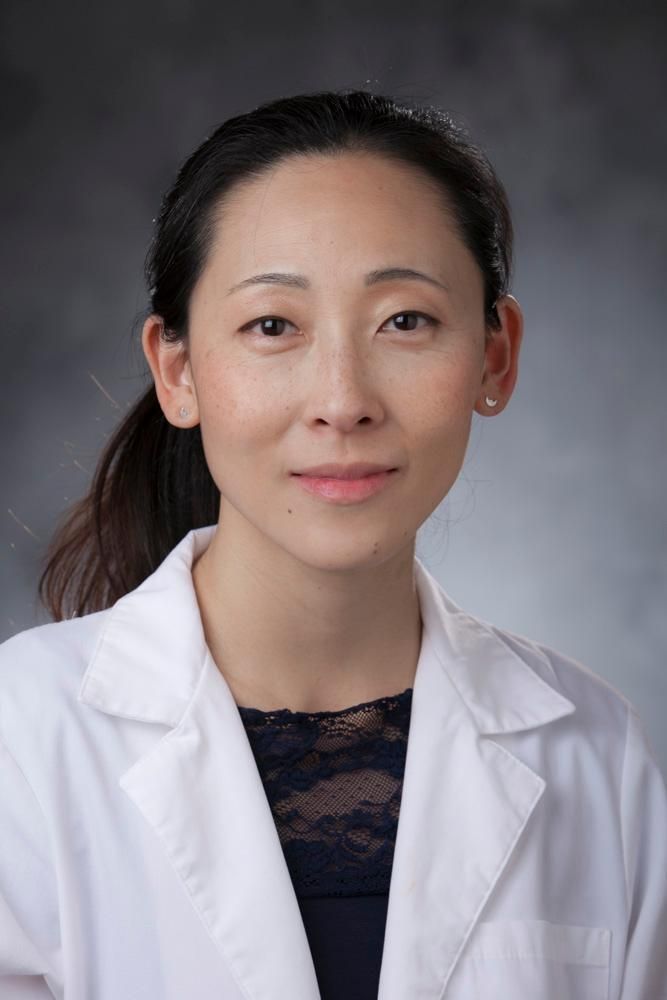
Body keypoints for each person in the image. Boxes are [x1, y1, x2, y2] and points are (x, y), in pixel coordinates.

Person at [0, 89, 665, 1000]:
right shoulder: (20, 740)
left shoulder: (596, 754)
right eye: (272, 326)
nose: (342, 400)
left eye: (405, 321)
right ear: (177, 372)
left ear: (494, 356)